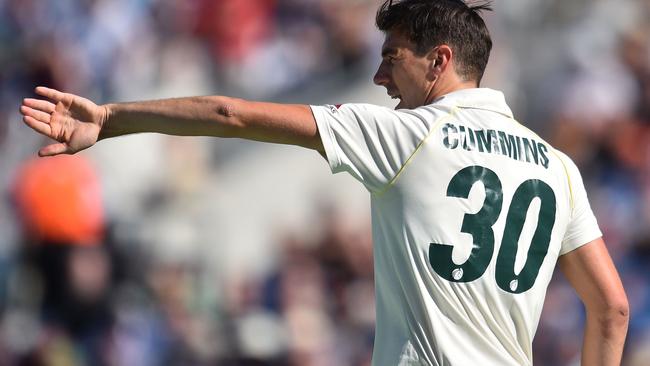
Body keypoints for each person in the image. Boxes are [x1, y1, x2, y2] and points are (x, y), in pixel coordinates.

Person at [19, 0, 629, 365]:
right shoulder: (558, 167)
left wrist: (112, 119)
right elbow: (612, 307)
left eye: (393, 56)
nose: (379, 75)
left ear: (439, 61)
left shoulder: (408, 135)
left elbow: (234, 114)